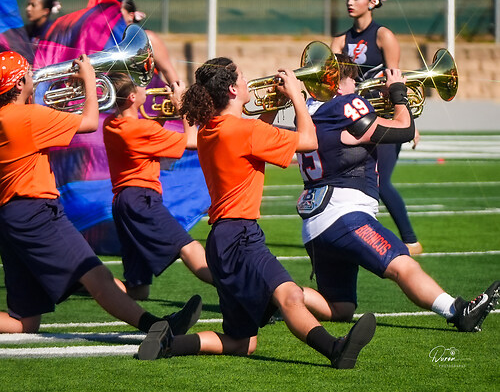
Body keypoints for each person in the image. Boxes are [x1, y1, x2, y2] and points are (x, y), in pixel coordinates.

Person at [136, 57, 377, 370]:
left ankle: (170, 343)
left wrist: (273, 106)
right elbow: (309, 141)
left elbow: (252, 136)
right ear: (233, 90)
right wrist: (296, 98)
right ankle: (335, 348)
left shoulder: (211, 129)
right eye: (242, 77)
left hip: (221, 239)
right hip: (241, 236)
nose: (248, 80)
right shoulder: (245, 131)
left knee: (242, 342)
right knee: (290, 294)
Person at [0, 50, 201, 335]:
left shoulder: (8, 117)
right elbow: (89, 122)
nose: (34, 76)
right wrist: (88, 80)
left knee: (24, 322)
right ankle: (157, 326)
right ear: (19, 83)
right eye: (29, 73)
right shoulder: (27, 117)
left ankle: (155, 325)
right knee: (98, 277)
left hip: (11, 215)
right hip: (36, 211)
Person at [296, 53, 500, 332]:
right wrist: (398, 93)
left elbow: (353, 132)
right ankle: (458, 311)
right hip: (345, 214)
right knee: (402, 264)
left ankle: (278, 294)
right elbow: (404, 129)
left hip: (315, 225)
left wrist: (383, 104)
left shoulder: (307, 110)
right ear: (336, 84)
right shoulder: (343, 105)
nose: (357, 85)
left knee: (340, 307)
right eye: (352, 80)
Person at [102, 72, 213, 301]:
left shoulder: (110, 123)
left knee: (138, 290)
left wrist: (163, 116)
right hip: (141, 199)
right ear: (132, 97)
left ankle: (86, 282)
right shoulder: (140, 129)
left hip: (123, 203)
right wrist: (182, 106)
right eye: (142, 86)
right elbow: (192, 141)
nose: (147, 88)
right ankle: (237, 288)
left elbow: (147, 140)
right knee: (188, 247)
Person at [331, 0, 422, 255]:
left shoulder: (383, 36)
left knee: (381, 183)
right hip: (353, 119)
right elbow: (333, 82)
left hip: (382, 118)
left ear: (372, 2)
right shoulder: (339, 40)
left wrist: (408, 121)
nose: (350, 2)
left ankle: (411, 241)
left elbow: (395, 81)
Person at [121, 0, 180, 85]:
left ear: (131, 15)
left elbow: (167, 70)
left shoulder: (148, 37)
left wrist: (178, 92)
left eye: (117, 14)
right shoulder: (108, 39)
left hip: (148, 91)